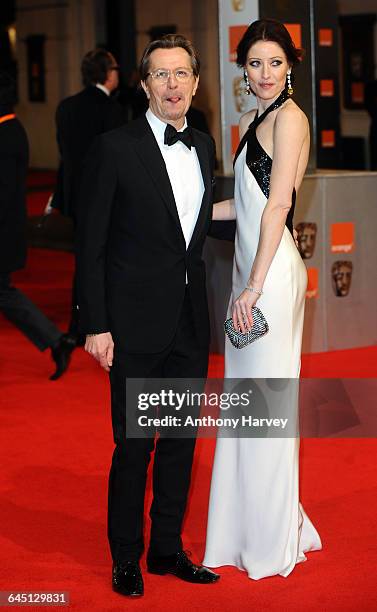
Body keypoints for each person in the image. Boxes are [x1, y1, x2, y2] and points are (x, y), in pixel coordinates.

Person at [76, 35, 220, 597]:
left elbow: (197, 232)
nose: (173, 85)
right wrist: (95, 322)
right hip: (132, 325)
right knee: (135, 445)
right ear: (143, 85)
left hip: (188, 321)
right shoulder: (115, 148)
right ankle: (126, 557)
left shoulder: (204, 146)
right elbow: (91, 243)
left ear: (196, 82)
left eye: (181, 74)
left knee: (182, 442)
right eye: (160, 75)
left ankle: (166, 549)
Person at [203, 19, 322, 579]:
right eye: (255, 63)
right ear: (243, 70)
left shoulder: (292, 119)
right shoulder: (252, 120)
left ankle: (273, 537)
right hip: (249, 274)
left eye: (275, 62)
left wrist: (252, 285)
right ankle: (252, 525)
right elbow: (243, 207)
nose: (265, 73)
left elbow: (277, 207)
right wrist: (186, 212)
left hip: (269, 279)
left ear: (291, 66)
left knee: (268, 409)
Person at [0, 71, 74, 380]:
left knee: (5, 293)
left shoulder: (6, 135)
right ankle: (56, 342)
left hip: (2, 231)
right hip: (7, 230)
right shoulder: (11, 130)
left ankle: (56, 341)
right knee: (4, 294)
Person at [52, 48, 124, 344]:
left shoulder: (66, 106)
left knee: (84, 257)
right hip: (105, 199)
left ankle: (77, 319)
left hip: (76, 197)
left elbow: (64, 155)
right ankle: (102, 318)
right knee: (106, 258)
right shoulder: (112, 110)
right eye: (116, 68)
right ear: (108, 74)